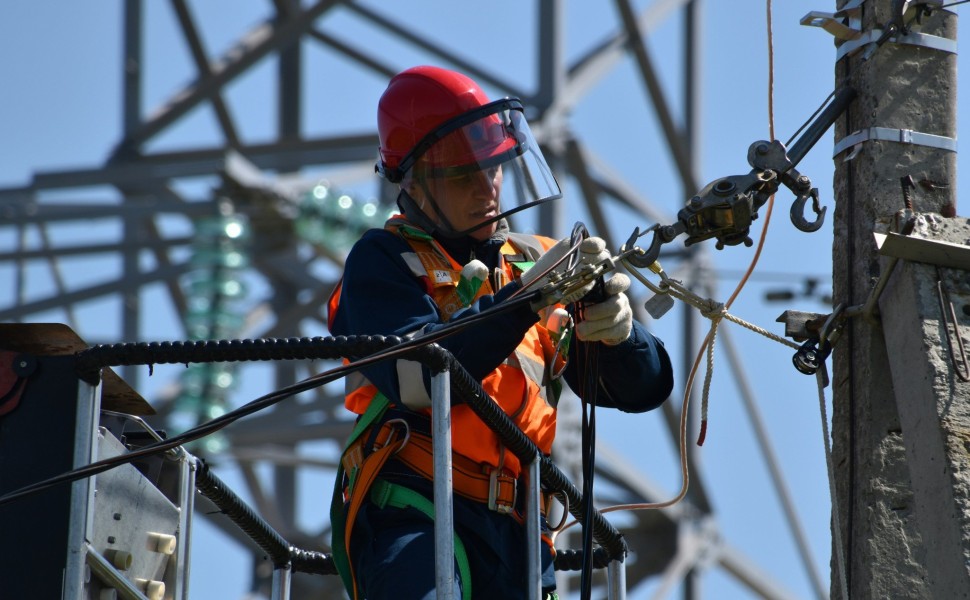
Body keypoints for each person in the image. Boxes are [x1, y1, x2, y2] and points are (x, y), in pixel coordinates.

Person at [328, 65, 673, 600]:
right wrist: (525, 301)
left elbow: (642, 389)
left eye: (493, 169)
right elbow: (416, 377)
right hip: (420, 504)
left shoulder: (532, 261)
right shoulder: (384, 259)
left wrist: (620, 333)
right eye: (463, 175)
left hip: (521, 534)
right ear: (414, 181)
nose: (486, 189)